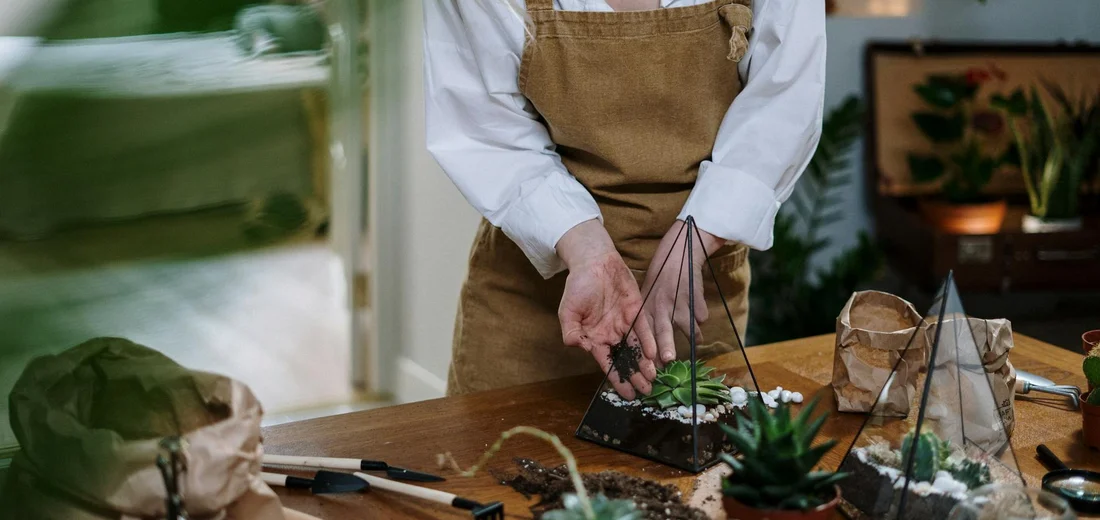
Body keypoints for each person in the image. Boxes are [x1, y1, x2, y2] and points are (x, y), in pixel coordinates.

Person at [424, 0, 825, 399]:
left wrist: (701, 234)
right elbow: (485, 127)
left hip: (692, 296)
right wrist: (583, 246)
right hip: (531, 304)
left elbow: (785, 96)